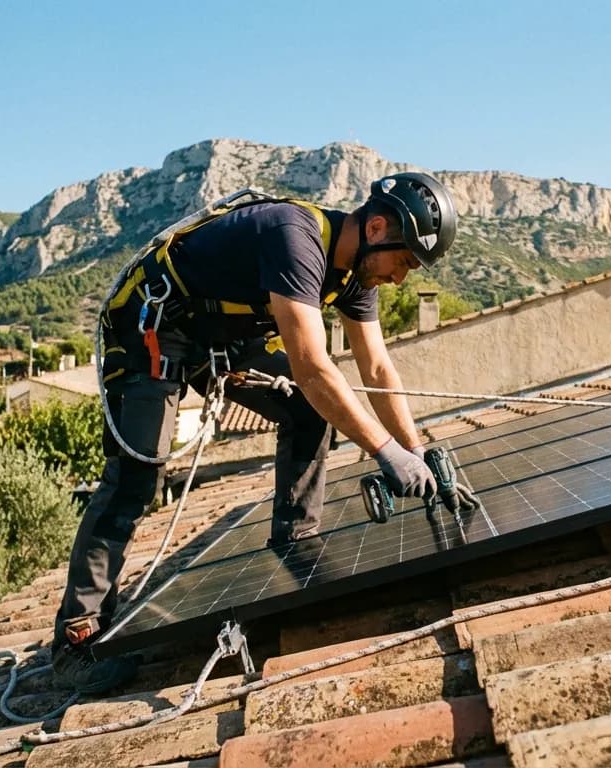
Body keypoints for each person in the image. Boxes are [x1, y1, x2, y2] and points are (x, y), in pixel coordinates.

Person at [51, 171, 459, 693]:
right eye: (402, 262)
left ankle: (296, 539)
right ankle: (75, 637)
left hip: (219, 332)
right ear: (377, 227)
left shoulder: (358, 276)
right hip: (154, 320)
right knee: (138, 474)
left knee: (310, 413)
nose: (400, 278)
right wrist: (385, 452)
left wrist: (416, 450)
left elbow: (377, 369)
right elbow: (312, 367)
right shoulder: (297, 238)